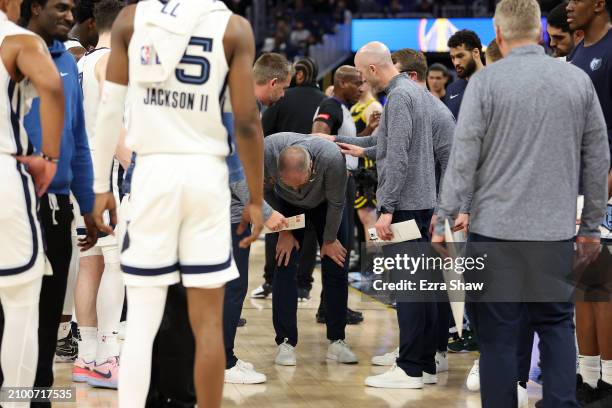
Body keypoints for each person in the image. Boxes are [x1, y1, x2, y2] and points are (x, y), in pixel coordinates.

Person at [433, 1, 609, 407]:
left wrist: (444, 219)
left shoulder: (486, 83)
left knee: (496, 339)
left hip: (494, 234)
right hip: (553, 234)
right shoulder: (576, 81)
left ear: (497, 32)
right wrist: (589, 229)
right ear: (542, 32)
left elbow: (463, 158)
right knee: (556, 326)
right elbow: (599, 159)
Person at [91, 1, 265, 407]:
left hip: (152, 172)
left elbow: (109, 111)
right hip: (206, 176)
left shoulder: (132, 19)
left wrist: (100, 185)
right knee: (207, 325)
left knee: (140, 324)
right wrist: (256, 198)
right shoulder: (233, 27)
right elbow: (246, 122)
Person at [330, 42, 439, 389]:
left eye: (362, 76)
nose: (362, 84)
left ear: (374, 70)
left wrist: (386, 209)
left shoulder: (400, 98)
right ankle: (422, 362)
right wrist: (359, 148)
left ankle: (409, 369)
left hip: (405, 204)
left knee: (409, 286)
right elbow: (393, 147)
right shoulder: (412, 92)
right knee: (421, 286)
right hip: (420, 200)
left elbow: (401, 157)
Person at [19, 1, 98, 405]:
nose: (71, 17)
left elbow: (78, 137)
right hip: (14, 203)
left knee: (50, 311)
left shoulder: (67, 62)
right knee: (13, 306)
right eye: (61, 8)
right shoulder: (9, 51)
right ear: (34, 8)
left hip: (55, 205)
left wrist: (89, 202)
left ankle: (38, 394)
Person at [0, 0, 64, 395]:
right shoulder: (16, 39)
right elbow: (53, 86)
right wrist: (50, 158)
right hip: (4, 170)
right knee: (21, 301)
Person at [264, 132, 358, 366]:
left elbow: (337, 203)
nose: (297, 189)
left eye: (301, 183)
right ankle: (285, 342)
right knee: (284, 264)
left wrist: (329, 240)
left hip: (327, 203)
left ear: (312, 167)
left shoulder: (331, 158)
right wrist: (283, 231)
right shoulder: (267, 150)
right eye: (289, 183)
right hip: (286, 208)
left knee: (336, 263)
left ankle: (337, 340)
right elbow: (262, 192)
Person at [71, 0, 125, 390]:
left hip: (79, 172)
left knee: (89, 264)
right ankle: (107, 355)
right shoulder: (111, 62)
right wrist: (139, 162)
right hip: (105, 175)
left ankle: (87, 356)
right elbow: (113, 124)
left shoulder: (81, 62)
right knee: (116, 264)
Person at [567, 0, 612, 405]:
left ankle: (611, 380)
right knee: (583, 286)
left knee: (605, 286)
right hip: (577, 182)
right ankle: (588, 375)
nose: (568, 8)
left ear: (598, 4)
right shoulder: (579, 50)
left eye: (576, 0)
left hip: (606, 181)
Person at [257, 57, 325, 302]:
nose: (283, 93)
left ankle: (271, 281)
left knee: (276, 227)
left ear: (298, 75)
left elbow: (261, 136)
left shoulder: (279, 101)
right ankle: (303, 286)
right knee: (306, 232)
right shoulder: (324, 101)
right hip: (308, 177)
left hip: (275, 176)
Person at [312, 65, 366, 323]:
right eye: (357, 83)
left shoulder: (342, 109)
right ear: (343, 82)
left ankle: (329, 307)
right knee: (339, 250)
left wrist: (368, 134)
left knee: (342, 248)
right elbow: (319, 137)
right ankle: (335, 311)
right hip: (337, 184)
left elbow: (342, 144)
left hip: (344, 181)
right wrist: (336, 170)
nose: (362, 88)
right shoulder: (330, 105)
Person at [444, 29, 484, 119]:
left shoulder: (493, 82)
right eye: (453, 58)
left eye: (460, 56)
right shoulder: (451, 89)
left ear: (476, 53)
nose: (456, 62)